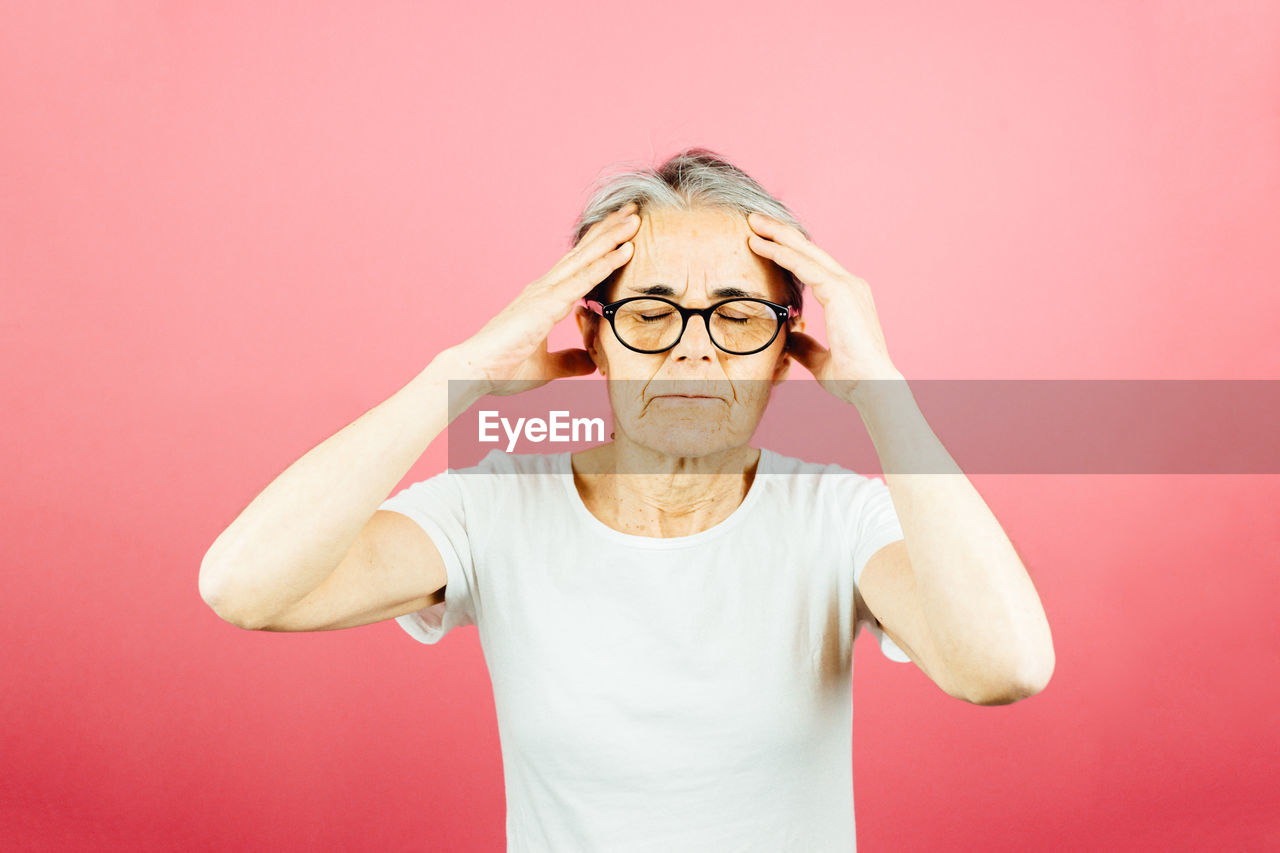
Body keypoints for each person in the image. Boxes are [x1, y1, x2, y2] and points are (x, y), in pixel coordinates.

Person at [199, 148, 1055, 851]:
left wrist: (885, 396)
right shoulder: (492, 510)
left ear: (787, 343)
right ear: (593, 337)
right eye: (650, 312)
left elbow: (1005, 665)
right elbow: (245, 585)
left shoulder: (839, 520)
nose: (693, 352)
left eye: (738, 316)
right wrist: (452, 379)